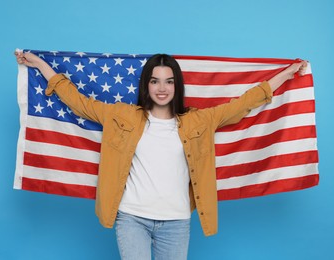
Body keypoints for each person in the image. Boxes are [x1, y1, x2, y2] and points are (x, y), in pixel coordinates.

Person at [15, 51, 307, 260]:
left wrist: (285, 75)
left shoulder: (199, 121)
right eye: (155, 81)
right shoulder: (121, 116)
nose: (162, 88)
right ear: (146, 85)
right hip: (132, 218)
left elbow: (243, 104)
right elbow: (78, 102)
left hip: (177, 221)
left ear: (177, 85)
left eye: (169, 81)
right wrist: (39, 64)